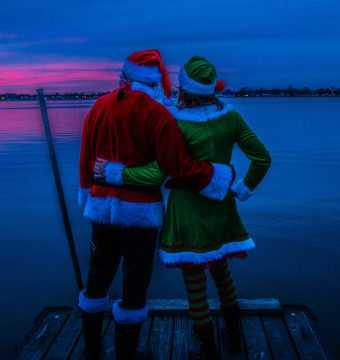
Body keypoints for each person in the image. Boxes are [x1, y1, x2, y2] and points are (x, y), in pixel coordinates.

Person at [95, 56, 271, 359]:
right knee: (222, 271)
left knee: (194, 282)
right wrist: (243, 188)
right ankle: (233, 333)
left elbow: (158, 173)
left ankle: (206, 347)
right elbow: (262, 158)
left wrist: (116, 172)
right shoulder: (231, 118)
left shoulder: (173, 121)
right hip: (222, 207)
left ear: (184, 87)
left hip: (187, 211)